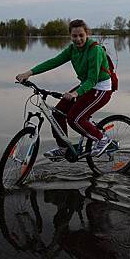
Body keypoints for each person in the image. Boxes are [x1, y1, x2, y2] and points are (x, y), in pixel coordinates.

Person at [15, 19, 114, 159]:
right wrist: (29, 73)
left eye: (81, 35)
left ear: (87, 34)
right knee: (58, 114)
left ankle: (102, 139)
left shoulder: (95, 50)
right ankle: (63, 148)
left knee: (75, 119)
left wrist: (75, 93)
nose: (78, 39)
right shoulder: (72, 50)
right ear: (70, 36)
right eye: (74, 36)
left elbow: (92, 80)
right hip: (86, 86)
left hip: (101, 88)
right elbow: (53, 62)